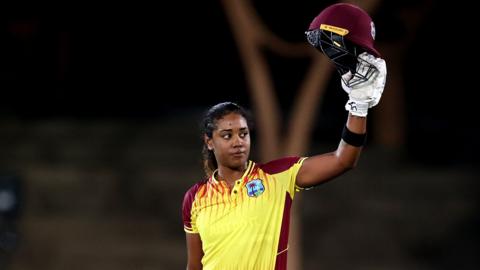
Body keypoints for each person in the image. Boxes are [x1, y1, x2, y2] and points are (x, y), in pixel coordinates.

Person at [182, 3, 387, 270]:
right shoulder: (194, 199)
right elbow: (194, 266)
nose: (238, 141)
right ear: (209, 141)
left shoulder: (276, 177)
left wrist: (358, 106)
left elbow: (343, 160)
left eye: (243, 133)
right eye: (227, 135)